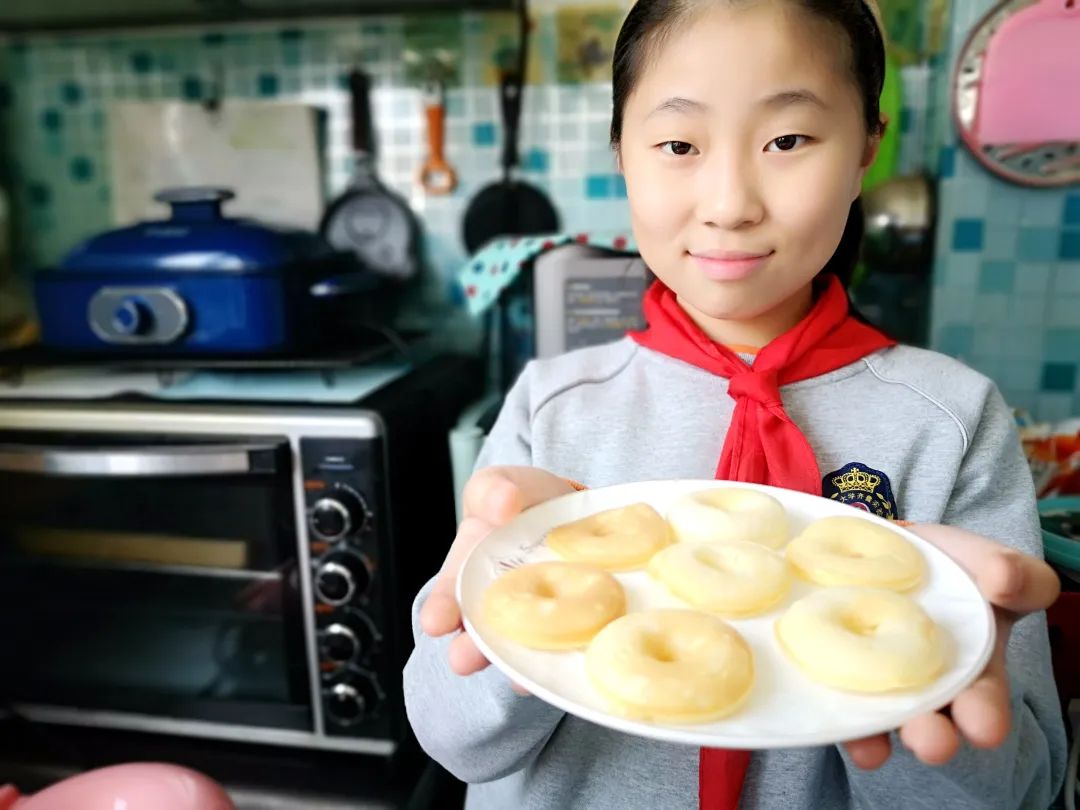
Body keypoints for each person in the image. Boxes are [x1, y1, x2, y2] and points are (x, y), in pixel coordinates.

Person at [403, 1, 1067, 807]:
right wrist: (506, 610)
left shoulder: (951, 422)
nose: (729, 203)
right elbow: (455, 740)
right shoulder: (555, 405)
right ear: (622, 152)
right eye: (678, 145)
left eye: (787, 140)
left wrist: (927, 681)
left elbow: (1021, 786)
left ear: (866, 147)